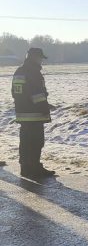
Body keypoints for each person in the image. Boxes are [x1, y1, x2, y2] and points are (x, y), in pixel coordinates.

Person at [11, 48, 55, 179]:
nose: (41, 60)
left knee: (25, 142)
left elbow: (16, 93)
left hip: (23, 113)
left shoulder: (20, 71)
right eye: (40, 58)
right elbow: (37, 94)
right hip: (35, 114)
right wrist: (44, 107)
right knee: (36, 142)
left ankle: (26, 168)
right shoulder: (33, 72)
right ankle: (35, 169)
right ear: (34, 58)